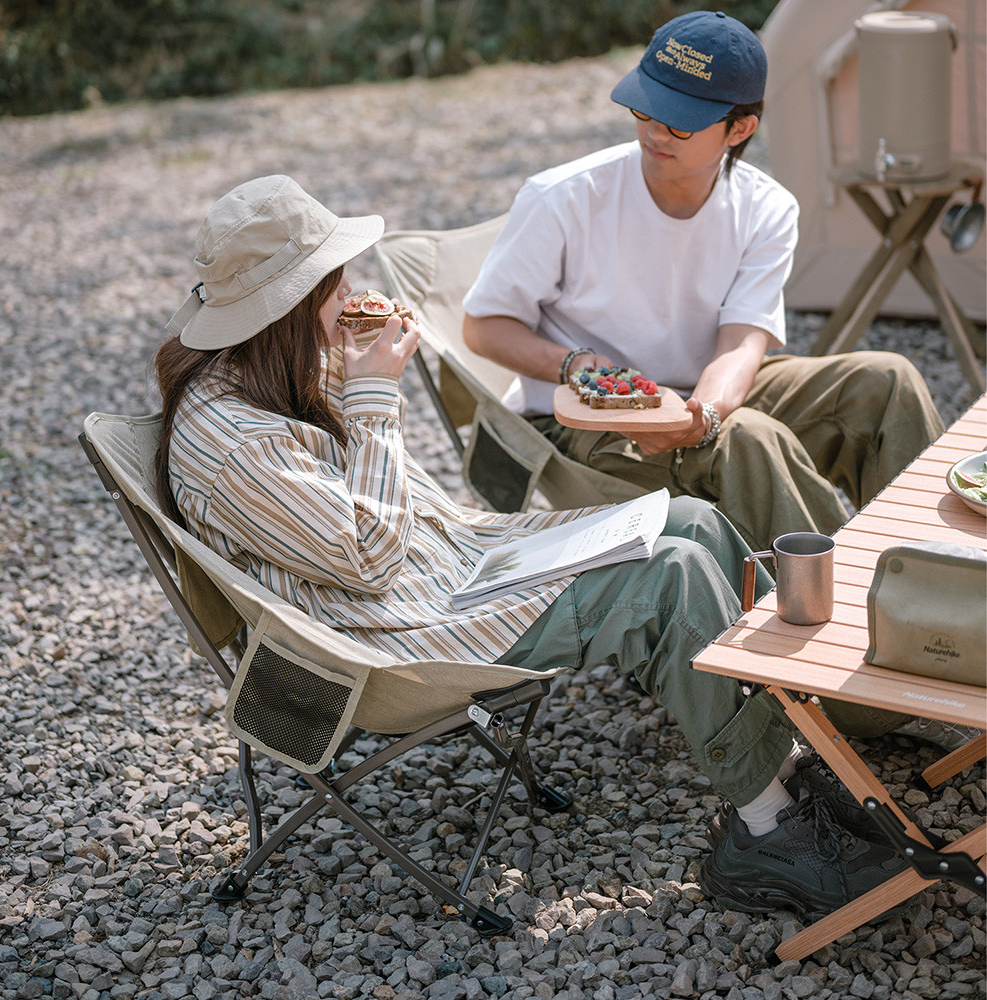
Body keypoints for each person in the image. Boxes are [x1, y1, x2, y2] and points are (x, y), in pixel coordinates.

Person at [153, 173, 908, 921]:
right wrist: (377, 394)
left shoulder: (269, 368)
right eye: (333, 281)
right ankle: (767, 829)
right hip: (402, 629)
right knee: (671, 578)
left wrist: (358, 365)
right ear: (287, 309)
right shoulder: (234, 444)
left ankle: (789, 759)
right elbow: (370, 558)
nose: (351, 290)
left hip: (452, 565)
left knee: (694, 522)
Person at [461, 10, 945, 560]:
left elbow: (742, 342)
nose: (653, 132)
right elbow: (482, 328)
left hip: (699, 392)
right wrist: (576, 365)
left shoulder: (766, 208)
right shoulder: (565, 197)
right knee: (750, 437)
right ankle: (847, 595)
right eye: (645, 108)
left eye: (680, 123)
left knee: (887, 381)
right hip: (586, 419)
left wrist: (703, 415)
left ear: (740, 129)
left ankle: (933, 567)